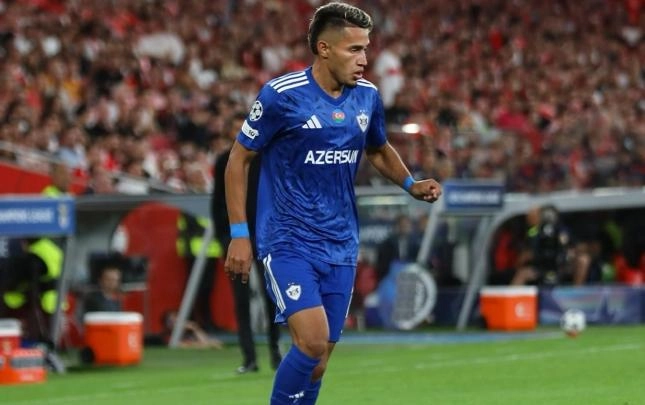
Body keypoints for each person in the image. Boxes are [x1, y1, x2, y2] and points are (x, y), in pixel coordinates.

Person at [223, 3, 442, 403]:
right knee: (310, 341)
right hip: (287, 239)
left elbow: (377, 149)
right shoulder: (281, 96)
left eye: (365, 49)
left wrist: (410, 183)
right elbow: (239, 159)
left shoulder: (367, 97)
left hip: (340, 243)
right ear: (324, 49)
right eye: (354, 49)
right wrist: (240, 233)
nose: (364, 60)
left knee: (318, 361)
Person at [212, 112, 282, 374]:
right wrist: (225, 238)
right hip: (236, 238)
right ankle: (249, 358)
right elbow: (217, 203)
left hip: (265, 237)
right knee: (240, 299)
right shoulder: (224, 161)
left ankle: (276, 351)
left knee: (272, 295)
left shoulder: (266, 158)